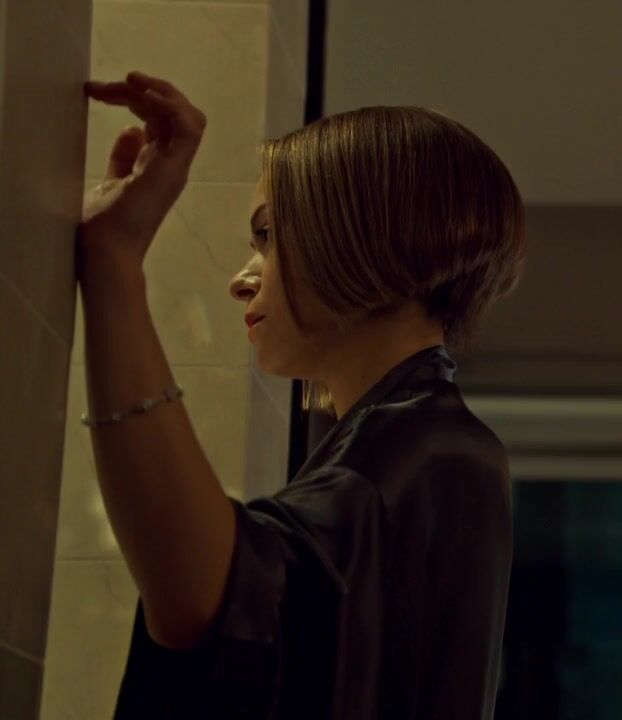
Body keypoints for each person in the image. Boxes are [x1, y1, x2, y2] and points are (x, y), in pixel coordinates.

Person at [78, 70, 526, 718]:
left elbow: (223, 604)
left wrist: (115, 263)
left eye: (267, 236)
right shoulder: (421, 441)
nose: (241, 280)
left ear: (364, 235)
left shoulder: (430, 449)